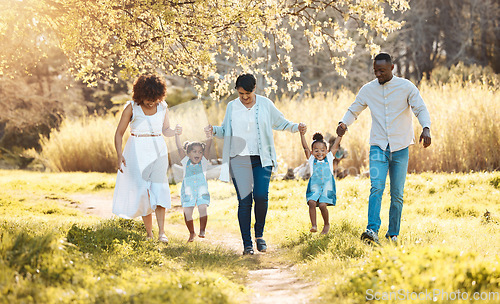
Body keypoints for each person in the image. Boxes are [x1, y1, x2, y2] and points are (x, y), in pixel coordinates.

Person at [336, 53, 432, 244]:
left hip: (400, 147)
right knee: (376, 188)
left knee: (397, 193)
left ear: (392, 68)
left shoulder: (406, 87)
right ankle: (371, 231)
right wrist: (343, 123)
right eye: (375, 71)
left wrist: (426, 128)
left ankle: (393, 234)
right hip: (378, 146)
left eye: (382, 71)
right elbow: (354, 110)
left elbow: (420, 108)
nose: (378, 74)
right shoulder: (368, 90)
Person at [207, 73, 306, 255]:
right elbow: (225, 130)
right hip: (239, 159)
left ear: (255, 90)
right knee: (244, 202)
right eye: (240, 94)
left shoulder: (265, 104)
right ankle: (247, 245)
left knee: (261, 196)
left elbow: (281, 123)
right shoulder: (232, 107)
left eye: (248, 94)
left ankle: (259, 234)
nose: (244, 97)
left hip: (262, 158)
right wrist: (213, 130)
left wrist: (296, 127)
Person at [112, 74, 175, 243]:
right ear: (140, 94)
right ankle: (149, 233)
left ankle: (162, 233)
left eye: (154, 98)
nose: (151, 102)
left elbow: (166, 130)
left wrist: (174, 132)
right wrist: (119, 155)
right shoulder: (132, 108)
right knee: (143, 192)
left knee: (159, 189)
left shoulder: (162, 107)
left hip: (158, 150)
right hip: (136, 150)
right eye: (147, 98)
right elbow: (118, 133)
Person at [174, 124, 212, 242]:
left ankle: (202, 230)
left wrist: (209, 136)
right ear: (188, 153)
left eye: (200, 152)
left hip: (201, 192)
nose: (197, 154)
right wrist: (177, 135)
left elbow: (209, 146)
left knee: (202, 209)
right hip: (188, 192)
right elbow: (179, 148)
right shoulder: (186, 162)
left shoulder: (204, 162)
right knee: (187, 213)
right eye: (194, 151)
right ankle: (191, 233)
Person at [300, 131, 342, 234]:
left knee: (323, 205)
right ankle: (314, 225)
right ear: (312, 152)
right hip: (315, 187)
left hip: (327, 188)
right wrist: (302, 134)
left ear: (327, 151)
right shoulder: (311, 159)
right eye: (316, 150)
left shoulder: (329, 158)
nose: (319, 153)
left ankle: (326, 224)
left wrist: (340, 135)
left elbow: (335, 145)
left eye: (322, 150)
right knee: (311, 202)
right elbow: (305, 147)